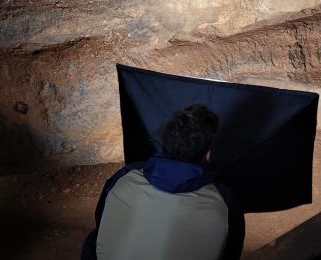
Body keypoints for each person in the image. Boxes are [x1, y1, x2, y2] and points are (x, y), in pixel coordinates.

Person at [82, 104, 244, 260]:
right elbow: (231, 252)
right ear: (207, 154)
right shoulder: (224, 200)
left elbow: (102, 217)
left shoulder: (125, 176)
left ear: (166, 143)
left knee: (94, 240)